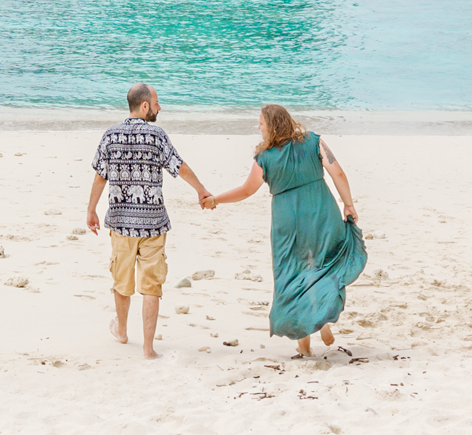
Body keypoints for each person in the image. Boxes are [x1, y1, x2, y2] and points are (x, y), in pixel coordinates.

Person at [206, 104, 365, 357]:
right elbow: (339, 174)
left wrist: (216, 199)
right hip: (322, 212)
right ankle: (322, 320)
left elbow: (247, 190)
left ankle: (304, 346)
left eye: (261, 123)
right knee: (323, 267)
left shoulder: (265, 158)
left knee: (292, 275)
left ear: (272, 126)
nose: (258, 127)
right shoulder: (314, 141)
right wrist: (348, 203)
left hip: (287, 222)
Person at [86, 82, 214, 359]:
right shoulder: (157, 135)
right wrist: (202, 190)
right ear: (144, 106)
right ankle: (148, 348)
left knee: (122, 281)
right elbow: (179, 166)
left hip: (121, 222)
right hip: (153, 222)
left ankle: (121, 332)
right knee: (151, 286)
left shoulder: (110, 136)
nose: (159, 108)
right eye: (156, 103)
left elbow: (100, 175)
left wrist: (91, 210)